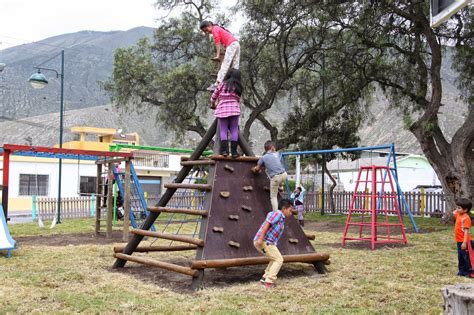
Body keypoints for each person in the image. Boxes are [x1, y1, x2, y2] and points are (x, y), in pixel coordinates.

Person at [254, 198, 294, 288]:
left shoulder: (281, 218)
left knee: (274, 258)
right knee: (279, 259)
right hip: (264, 241)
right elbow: (266, 224)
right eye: (290, 210)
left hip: (269, 242)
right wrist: (260, 239)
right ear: (284, 209)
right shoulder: (277, 214)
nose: (291, 213)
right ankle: (269, 282)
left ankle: (265, 278)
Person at [210, 68, 242, 158]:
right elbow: (238, 99)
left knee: (223, 130)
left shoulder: (222, 85)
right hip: (235, 110)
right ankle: (234, 152)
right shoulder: (238, 86)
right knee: (234, 130)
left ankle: (224, 151)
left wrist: (213, 104)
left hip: (222, 109)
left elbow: (213, 97)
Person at [200, 21, 240, 91]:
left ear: (209, 26)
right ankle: (235, 85)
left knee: (225, 65)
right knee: (235, 66)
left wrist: (218, 55)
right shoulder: (218, 28)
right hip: (236, 43)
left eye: (206, 30)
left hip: (231, 45)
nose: (207, 32)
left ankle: (217, 84)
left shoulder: (215, 29)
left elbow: (217, 43)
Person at [251, 140, 287, 211]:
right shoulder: (277, 154)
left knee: (273, 197)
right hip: (284, 174)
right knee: (279, 177)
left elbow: (257, 168)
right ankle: (281, 187)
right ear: (273, 148)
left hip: (276, 178)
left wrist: (254, 169)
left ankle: (275, 212)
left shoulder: (263, 157)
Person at [453, 197, 474, 278]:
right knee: (460, 256)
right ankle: (461, 271)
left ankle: (470, 272)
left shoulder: (466, 218)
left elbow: (466, 231)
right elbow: (453, 213)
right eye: (457, 207)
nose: (457, 209)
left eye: (459, 208)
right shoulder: (459, 215)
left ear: (465, 210)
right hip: (459, 241)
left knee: (467, 257)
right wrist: (458, 208)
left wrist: (464, 242)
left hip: (465, 241)